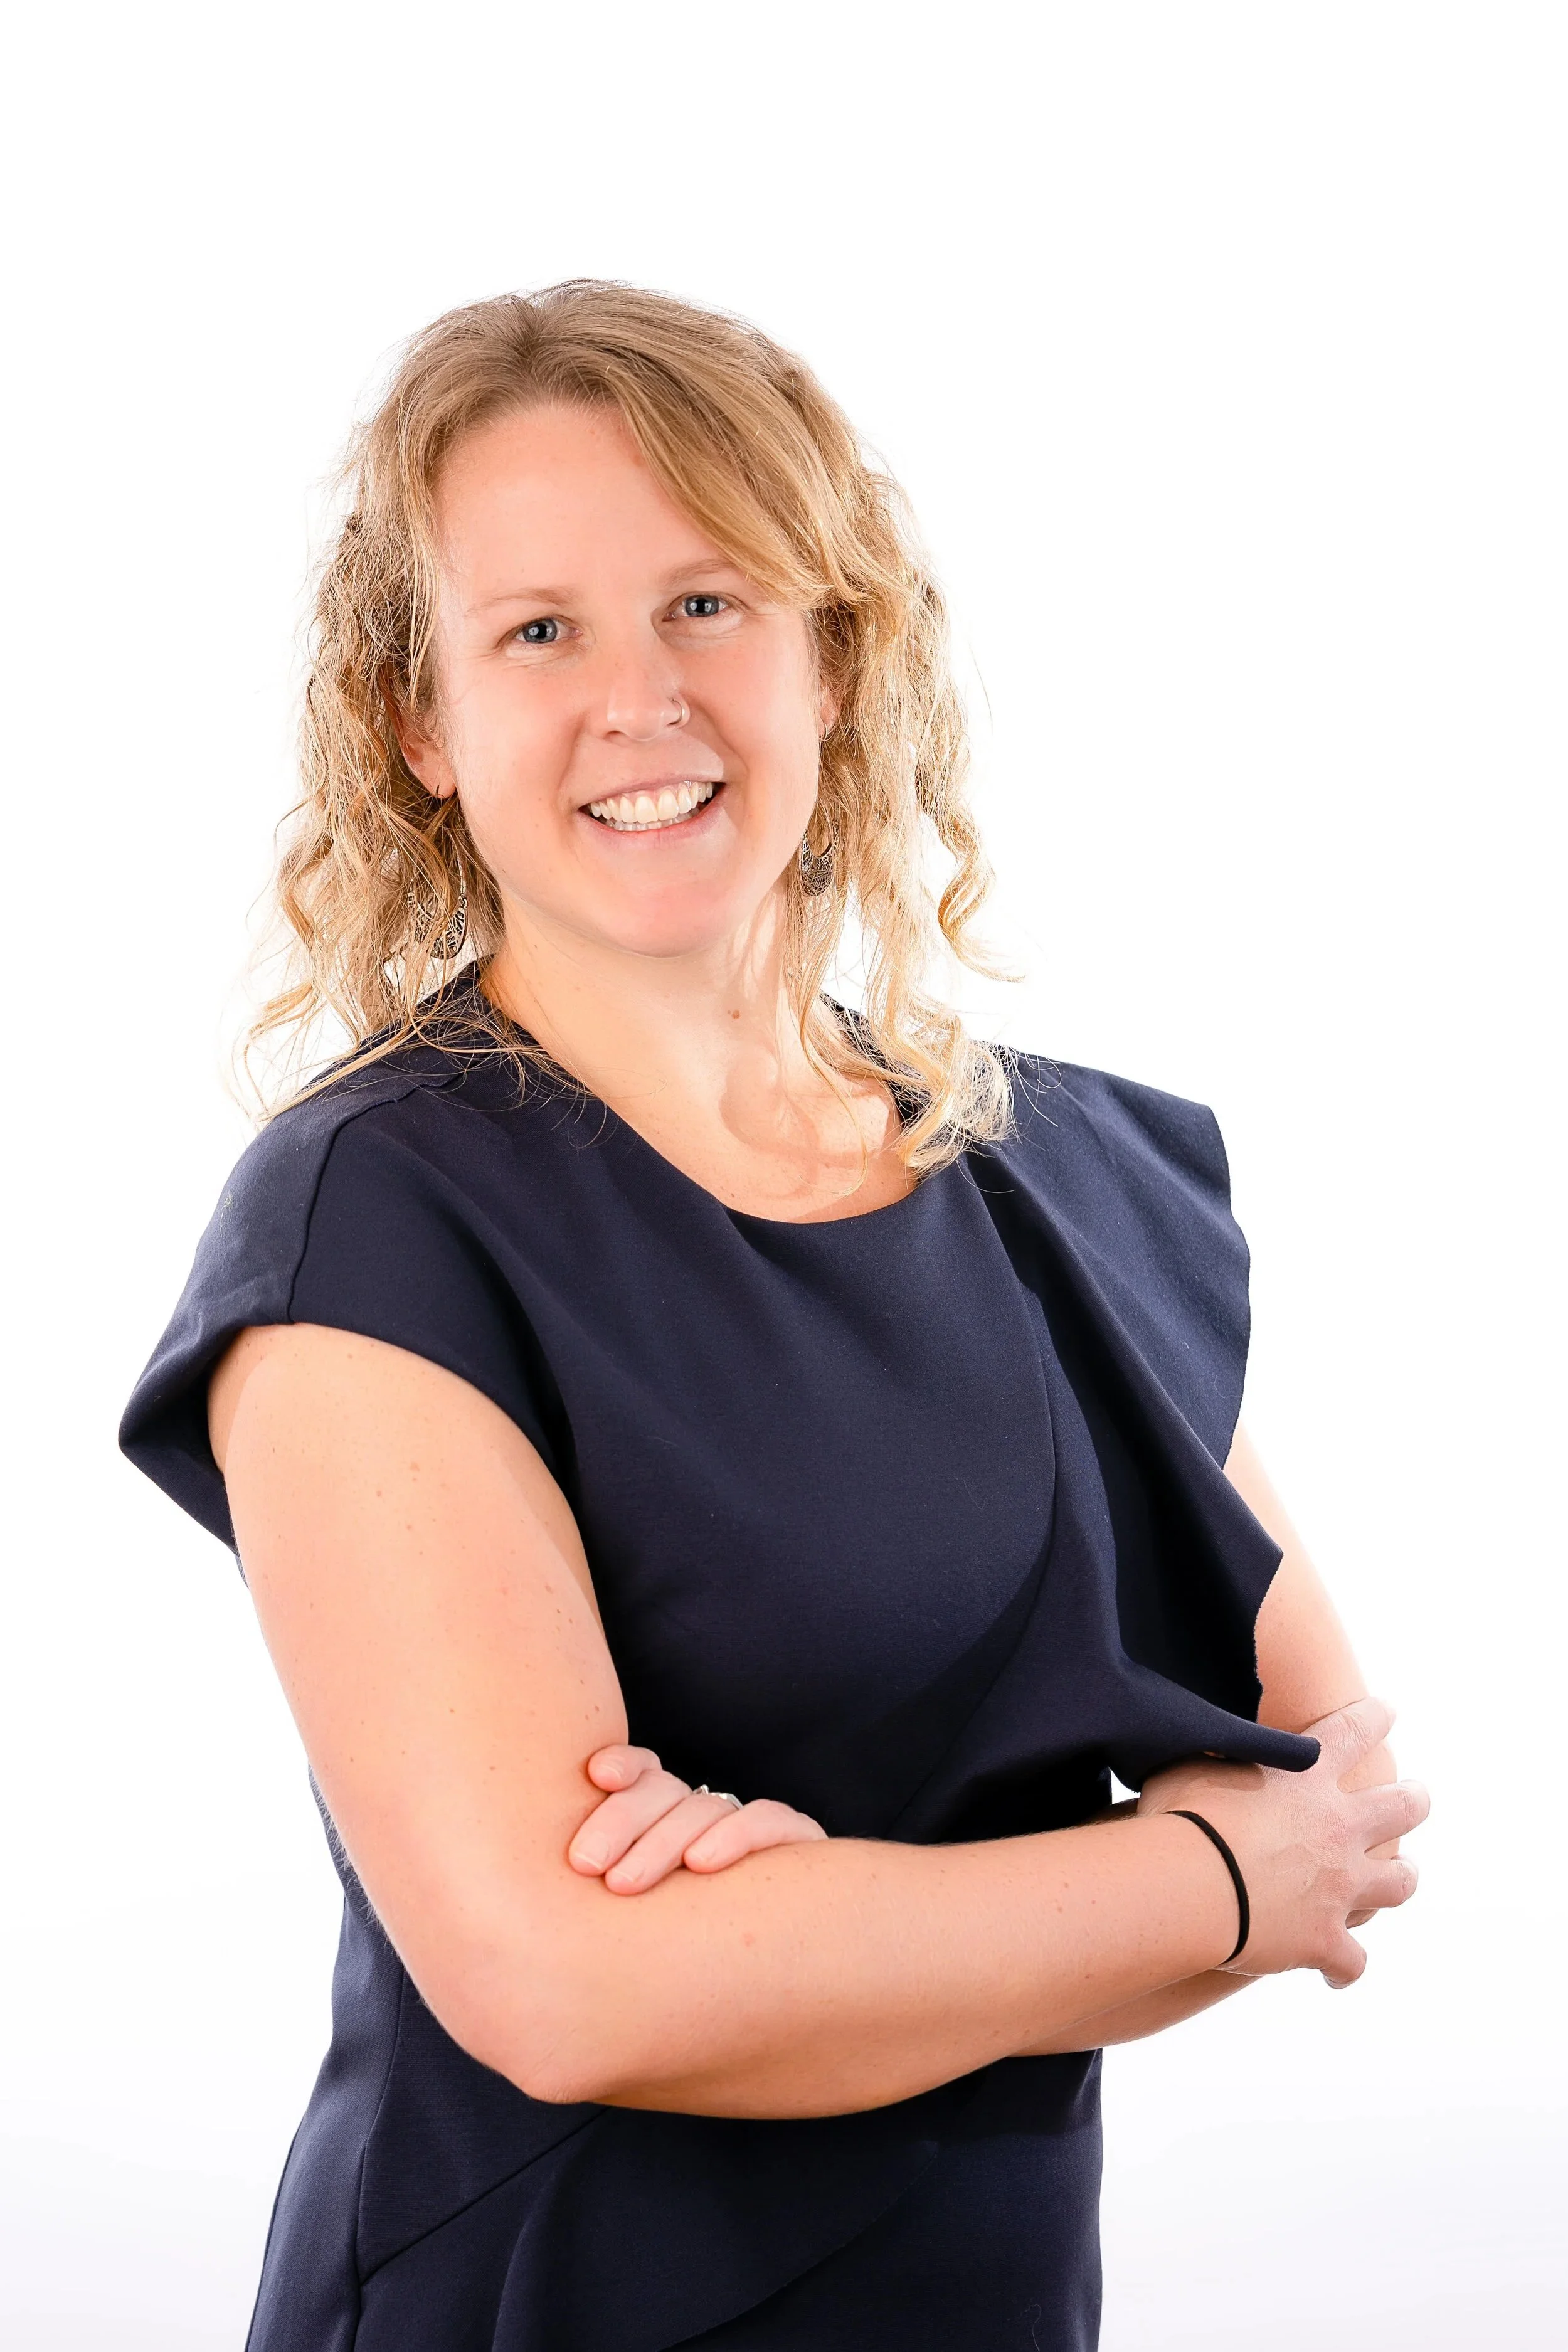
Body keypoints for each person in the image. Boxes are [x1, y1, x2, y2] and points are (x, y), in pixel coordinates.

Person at [119, 282, 1426, 2352]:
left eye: (708, 601)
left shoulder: (1048, 1179)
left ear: (836, 653)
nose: (637, 699)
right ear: (420, 723)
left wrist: (810, 1916)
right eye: (535, 628)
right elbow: (566, 1987)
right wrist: (1200, 1890)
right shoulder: (375, 1217)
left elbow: (1335, 1790)